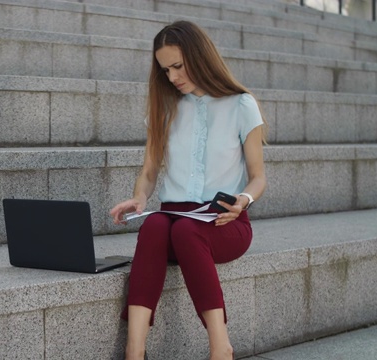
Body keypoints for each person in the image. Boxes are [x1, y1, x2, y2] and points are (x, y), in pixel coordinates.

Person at [109, 21, 267, 360]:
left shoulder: (241, 105)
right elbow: (150, 171)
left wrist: (244, 200)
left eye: (177, 66)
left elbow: (258, 177)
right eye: (165, 70)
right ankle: (134, 351)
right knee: (154, 225)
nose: (172, 77)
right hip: (172, 217)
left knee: (187, 230)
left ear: (199, 56)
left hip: (225, 222)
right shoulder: (165, 109)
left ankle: (220, 347)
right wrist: (140, 198)